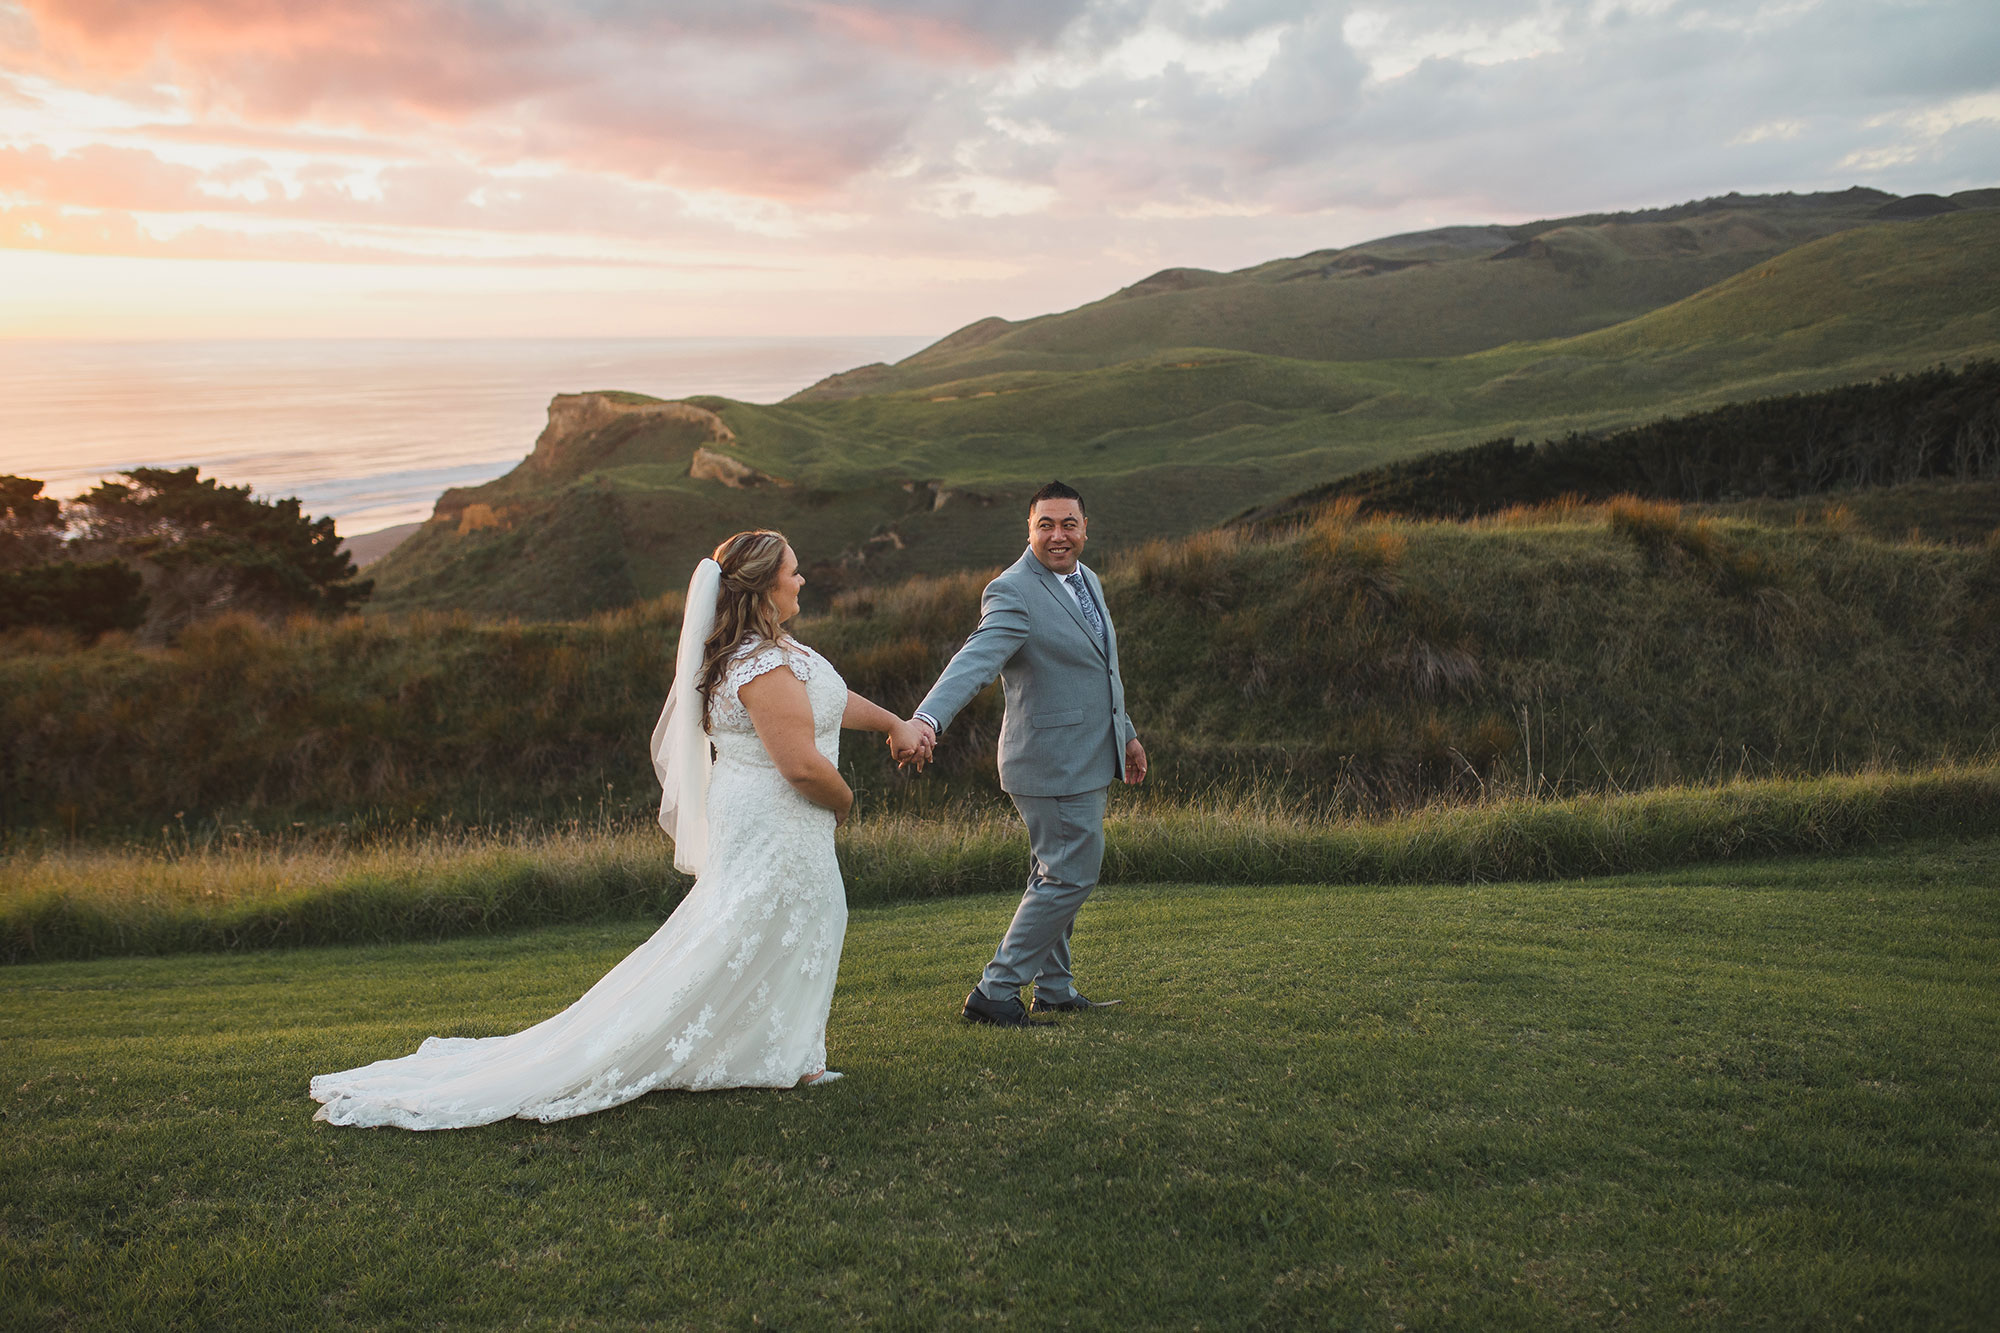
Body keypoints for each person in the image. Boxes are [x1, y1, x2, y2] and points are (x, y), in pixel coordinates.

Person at [310, 530, 929, 1129]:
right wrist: (843, 803)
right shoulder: (761, 664)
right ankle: (786, 1060)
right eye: (792, 569)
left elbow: (828, 696)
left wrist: (893, 723)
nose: (802, 577)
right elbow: (799, 764)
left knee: (776, 921)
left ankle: (787, 1056)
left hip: (768, 812)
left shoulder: (776, 653)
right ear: (765, 588)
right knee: (778, 919)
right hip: (775, 813)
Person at [900, 480, 1146, 1027]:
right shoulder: (1013, 590)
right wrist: (926, 718)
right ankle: (996, 991)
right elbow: (976, 661)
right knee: (1071, 876)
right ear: (1028, 529)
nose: (1058, 536)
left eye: (1068, 524)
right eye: (1045, 525)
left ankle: (1055, 988)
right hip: (1050, 761)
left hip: (1087, 752)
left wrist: (1125, 733)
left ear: (1086, 529)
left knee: (1053, 874)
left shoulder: (1089, 582)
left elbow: (1102, 670)